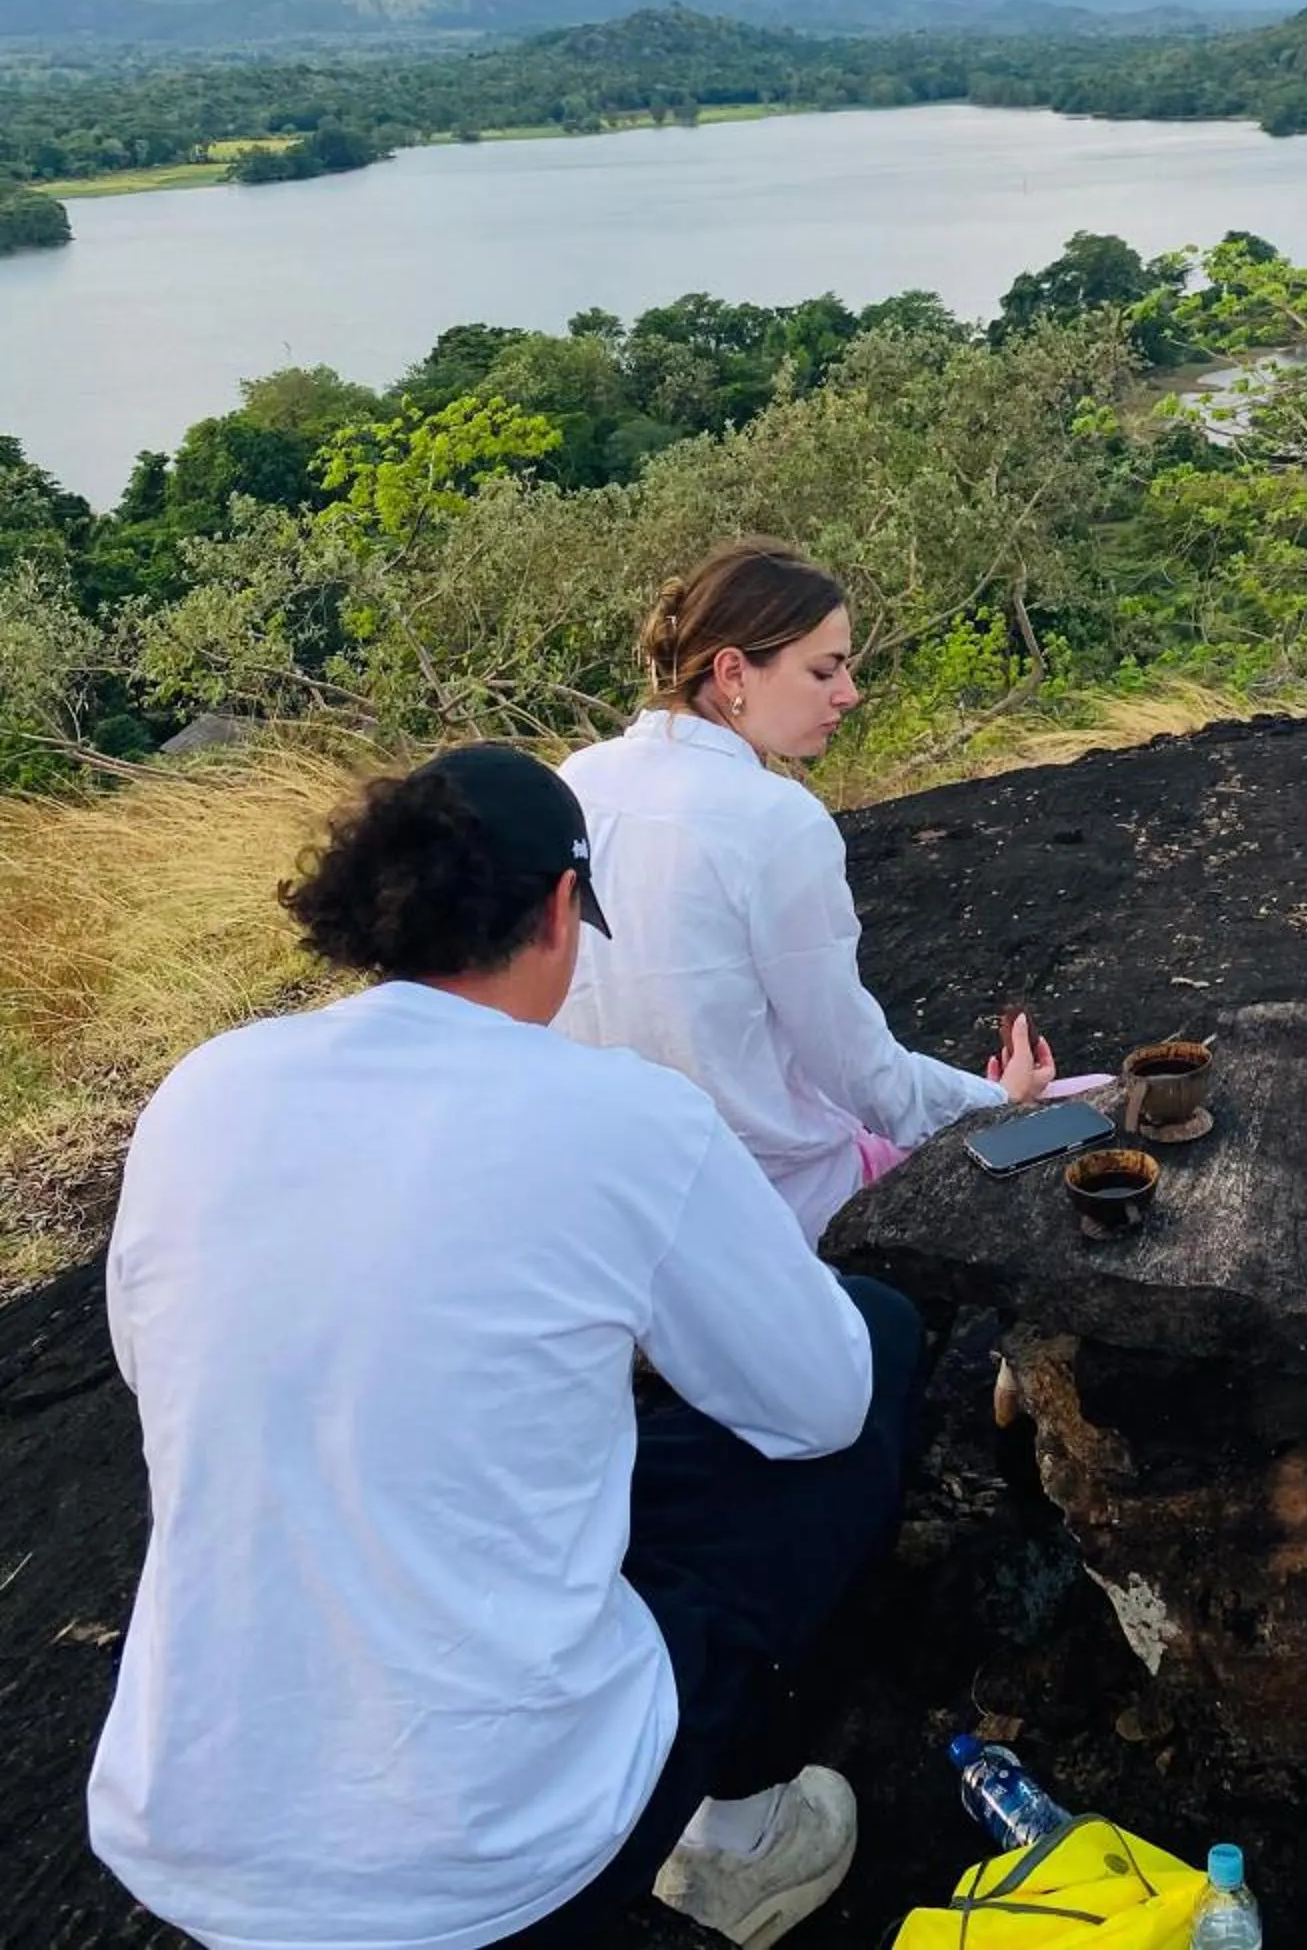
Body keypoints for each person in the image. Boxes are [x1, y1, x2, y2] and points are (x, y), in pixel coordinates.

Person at [89, 743, 925, 1950]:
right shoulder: (619, 1115)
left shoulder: (206, 1088)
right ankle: (739, 1845)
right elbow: (821, 1406)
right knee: (875, 1346)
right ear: (559, 907)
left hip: (188, 1821)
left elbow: (148, 1358)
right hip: (499, 1850)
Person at [557, 539, 1052, 1240]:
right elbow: (856, 1071)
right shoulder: (776, 820)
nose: (848, 693)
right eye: (825, 671)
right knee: (1079, 1110)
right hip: (765, 1199)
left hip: (615, 1191)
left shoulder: (578, 778)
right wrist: (996, 1101)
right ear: (733, 671)